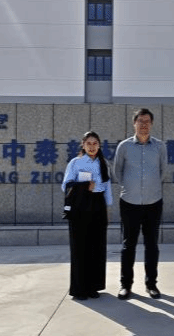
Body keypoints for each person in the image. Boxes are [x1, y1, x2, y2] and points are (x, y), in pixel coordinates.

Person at [113, 108, 166, 300]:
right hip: (130, 202)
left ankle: (151, 284)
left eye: (147, 121)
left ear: (151, 124)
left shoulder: (159, 146)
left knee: (152, 245)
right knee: (129, 245)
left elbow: (162, 171)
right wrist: (131, 187)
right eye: (140, 121)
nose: (144, 125)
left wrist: (149, 188)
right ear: (134, 123)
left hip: (153, 202)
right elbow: (117, 171)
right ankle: (126, 285)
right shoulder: (124, 146)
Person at [61, 131, 113, 300]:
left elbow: (107, 187)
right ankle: (79, 289)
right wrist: (84, 186)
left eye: (95, 143)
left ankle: (93, 286)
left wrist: (107, 207)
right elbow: (66, 185)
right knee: (80, 247)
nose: (92, 147)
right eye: (88, 143)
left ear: (99, 145)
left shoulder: (103, 163)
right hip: (80, 206)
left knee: (96, 247)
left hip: (98, 205)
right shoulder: (75, 163)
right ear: (83, 145)